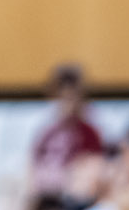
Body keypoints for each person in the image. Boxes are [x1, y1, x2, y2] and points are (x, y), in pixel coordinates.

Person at [30, 64, 106, 200]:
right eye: (62, 97)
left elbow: (94, 171)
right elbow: (34, 166)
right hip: (47, 195)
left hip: (76, 197)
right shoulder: (47, 131)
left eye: (72, 97)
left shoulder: (89, 131)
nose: (67, 104)